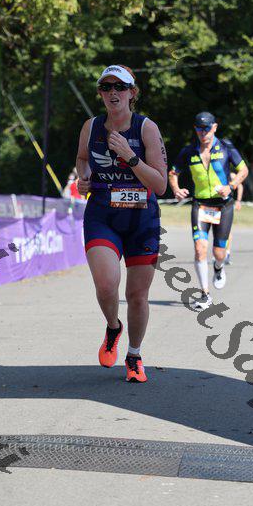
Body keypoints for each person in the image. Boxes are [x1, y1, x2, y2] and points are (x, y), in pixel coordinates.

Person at [76, 64, 167, 383]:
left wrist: (130, 156)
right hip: (103, 214)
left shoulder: (147, 128)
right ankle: (113, 327)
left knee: (137, 295)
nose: (113, 92)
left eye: (120, 87)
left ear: (132, 92)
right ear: (100, 93)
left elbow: (160, 185)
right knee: (106, 284)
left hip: (142, 219)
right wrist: (84, 179)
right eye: (106, 87)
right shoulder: (91, 127)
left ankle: (134, 355)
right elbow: (83, 160)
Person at [169, 111, 248, 310]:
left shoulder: (226, 147)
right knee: (199, 248)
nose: (203, 132)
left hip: (224, 205)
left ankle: (218, 267)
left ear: (214, 127)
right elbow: (173, 172)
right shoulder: (189, 151)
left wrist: (231, 186)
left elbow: (244, 170)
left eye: (206, 128)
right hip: (200, 205)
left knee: (219, 253)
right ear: (195, 129)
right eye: (199, 128)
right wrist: (176, 189)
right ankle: (205, 294)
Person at [225, 171, 244, 264]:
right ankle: (218, 253)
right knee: (216, 230)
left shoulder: (231, 175)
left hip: (228, 205)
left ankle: (227, 254)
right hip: (214, 205)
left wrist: (238, 201)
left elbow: (240, 186)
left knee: (227, 230)